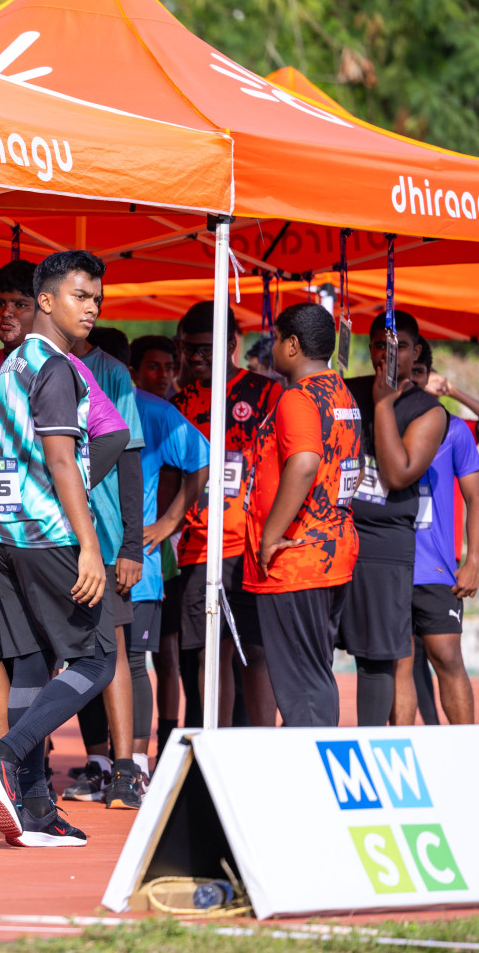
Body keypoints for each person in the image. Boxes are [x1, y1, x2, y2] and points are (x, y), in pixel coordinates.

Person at [0, 249, 119, 849]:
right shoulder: (58, 368)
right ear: (46, 301)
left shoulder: (9, 364)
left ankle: (33, 809)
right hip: (46, 531)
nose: (91, 308)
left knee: (29, 666)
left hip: (4, 532)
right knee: (97, 659)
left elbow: (4, 448)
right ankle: (4, 755)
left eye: (97, 298)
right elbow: (60, 458)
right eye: (80, 296)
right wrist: (89, 544)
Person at [242, 302, 361, 726]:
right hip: (331, 551)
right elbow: (354, 464)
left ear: (291, 345)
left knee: (301, 686)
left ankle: (314, 781)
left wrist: (270, 535)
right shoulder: (342, 392)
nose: (271, 347)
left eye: (276, 339)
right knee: (314, 675)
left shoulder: (299, 396)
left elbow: (306, 462)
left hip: (298, 560)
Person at [171, 302, 281, 728]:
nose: (194, 359)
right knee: (207, 652)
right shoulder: (178, 402)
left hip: (252, 546)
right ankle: (213, 745)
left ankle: (260, 744)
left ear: (231, 345)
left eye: (204, 350)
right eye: (188, 350)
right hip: (199, 548)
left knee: (254, 650)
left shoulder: (266, 392)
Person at [343, 311, 447, 726]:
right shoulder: (345, 391)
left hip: (385, 547)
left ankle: (369, 744)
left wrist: (383, 403)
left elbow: (398, 473)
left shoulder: (429, 411)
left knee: (377, 657)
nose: (388, 354)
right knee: (312, 649)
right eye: (379, 345)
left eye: (399, 346)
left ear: (416, 351)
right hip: (331, 535)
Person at [62, 324, 145, 810]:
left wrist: (132, 545)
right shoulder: (17, 368)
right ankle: (85, 763)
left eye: (91, 299)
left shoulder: (110, 373)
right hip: (42, 534)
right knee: (59, 654)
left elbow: (129, 456)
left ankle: (125, 770)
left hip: (105, 537)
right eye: (1, 304)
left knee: (108, 649)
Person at [128, 341, 208, 769]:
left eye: (169, 368)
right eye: (154, 367)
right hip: (90, 557)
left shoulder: (162, 414)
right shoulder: (83, 404)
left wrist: (168, 524)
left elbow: (202, 461)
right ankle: (104, 760)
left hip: (157, 560)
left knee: (156, 655)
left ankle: (143, 759)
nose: (164, 375)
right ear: (130, 369)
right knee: (95, 662)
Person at [405, 341, 479, 726]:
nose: (413, 380)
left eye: (420, 373)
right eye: (408, 372)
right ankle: (399, 754)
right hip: (388, 566)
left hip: (436, 570)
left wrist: (474, 561)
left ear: (430, 377)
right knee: (397, 666)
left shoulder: (454, 429)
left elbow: (477, 499)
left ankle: (467, 752)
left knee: (448, 659)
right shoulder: (379, 421)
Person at [130, 335, 177, 399]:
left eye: (168, 368)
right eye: (153, 367)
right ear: (133, 373)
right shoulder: (119, 407)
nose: (163, 374)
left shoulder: (179, 406)